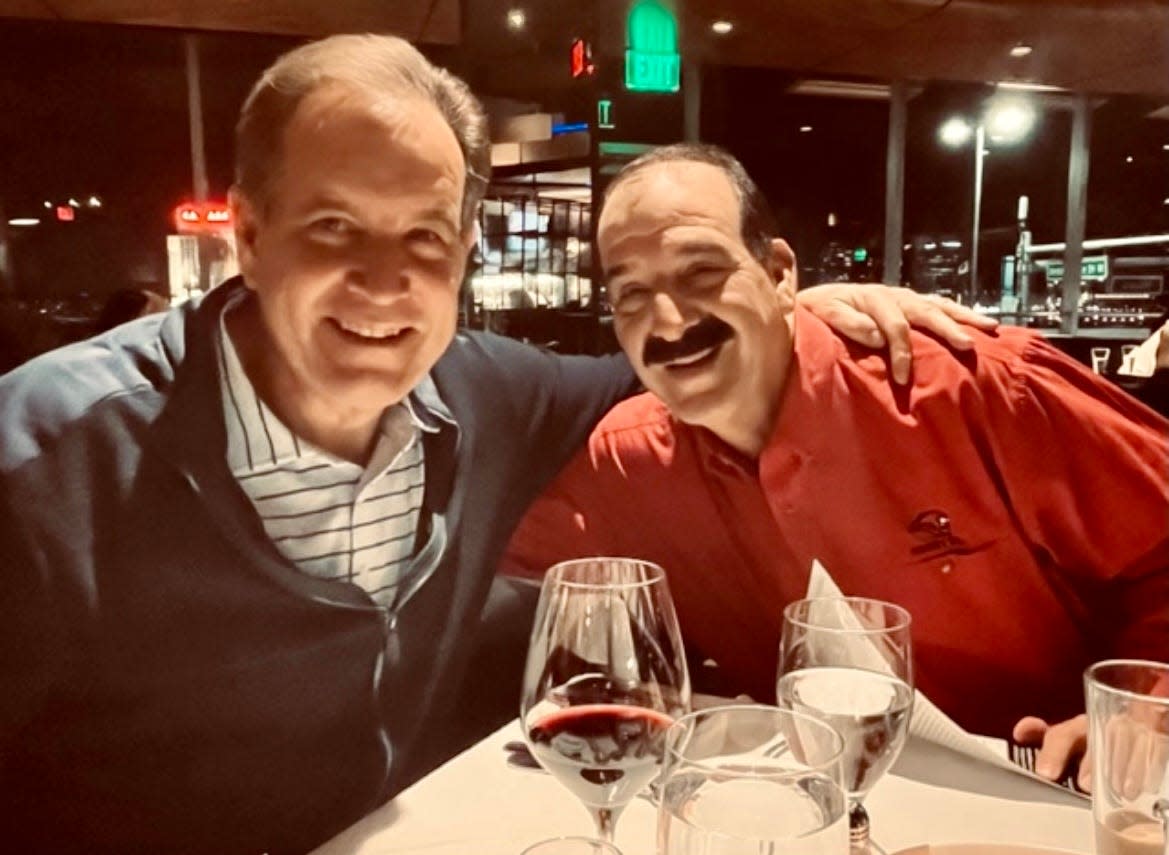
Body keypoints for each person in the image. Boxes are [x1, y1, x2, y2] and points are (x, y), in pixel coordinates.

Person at [0, 35, 989, 853]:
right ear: (249, 236)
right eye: (334, 227)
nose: (385, 280)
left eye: (425, 236)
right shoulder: (39, 466)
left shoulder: (484, 391)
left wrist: (799, 309)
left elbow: (677, 367)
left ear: (466, 251)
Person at [502, 143, 1169, 792]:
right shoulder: (625, 460)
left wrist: (1142, 709)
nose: (669, 320)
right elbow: (470, 545)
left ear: (780, 272)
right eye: (631, 294)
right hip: (806, 810)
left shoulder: (974, 385)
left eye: (701, 273)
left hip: (1064, 799)